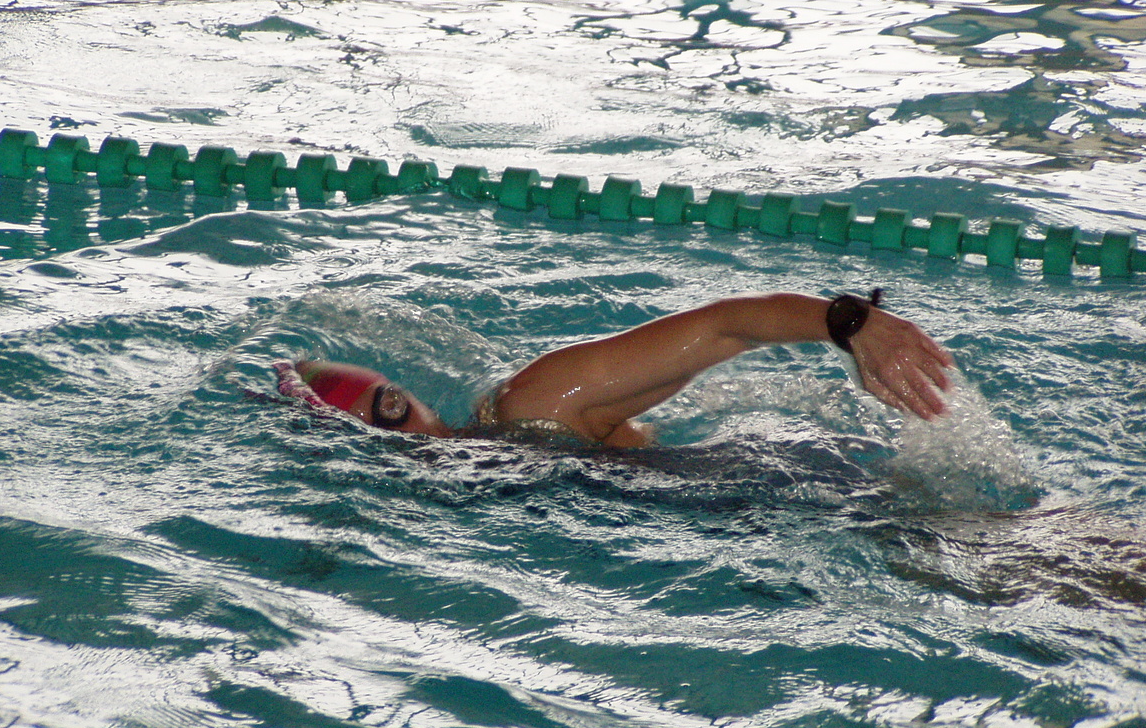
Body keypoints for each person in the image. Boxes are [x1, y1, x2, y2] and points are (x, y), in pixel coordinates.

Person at [274, 290, 955, 449]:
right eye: (375, 424)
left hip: (803, 500)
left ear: (411, 400)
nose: (394, 435)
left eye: (388, 408)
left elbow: (719, 328)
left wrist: (850, 323)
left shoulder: (528, 406)